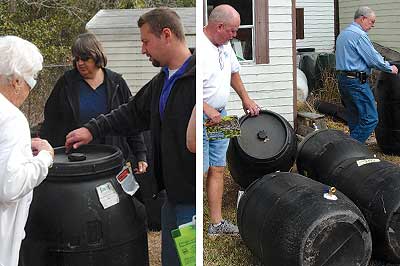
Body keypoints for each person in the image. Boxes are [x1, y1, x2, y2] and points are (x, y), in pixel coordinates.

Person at [64, 8, 195, 266]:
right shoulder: (163, 82)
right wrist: (92, 129)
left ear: (166, 35)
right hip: (172, 197)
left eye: (146, 41)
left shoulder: (199, 78)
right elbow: (131, 113)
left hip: (191, 201)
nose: (142, 50)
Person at [40, 32, 147, 174]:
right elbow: (51, 122)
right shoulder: (66, 83)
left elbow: (131, 120)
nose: (80, 63)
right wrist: (47, 154)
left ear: (97, 56)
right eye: (77, 59)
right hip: (75, 161)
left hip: (111, 160)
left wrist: (140, 154)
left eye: (85, 58)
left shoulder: (116, 83)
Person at [202, 4, 260, 236]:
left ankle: (216, 224)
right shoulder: (200, 52)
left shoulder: (225, 46)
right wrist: (206, 109)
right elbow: (188, 90)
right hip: (201, 118)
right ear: (219, 26)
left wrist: (246, 99)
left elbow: (234, 73)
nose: (236, 35)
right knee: (200, 170)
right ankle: (195, 222)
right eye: (233, 31)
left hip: (222, 115)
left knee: (218, 168)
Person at [0, 36, 54, 266]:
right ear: (16, 81)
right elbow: (8, 186)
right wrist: (44, 158)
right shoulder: (11, 119)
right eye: (31, 81)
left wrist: (22, 147)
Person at [336, 6, 398, 143]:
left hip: (344, 80)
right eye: (371, 21)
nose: (372, 25)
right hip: (356, 82)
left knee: (355, 117)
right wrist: (390, 68)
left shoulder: (343, 34)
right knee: (371, 118)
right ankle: (349, 148)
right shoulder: (359, 35)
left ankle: (354, 153)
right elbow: (374, 59)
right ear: (362, 18)